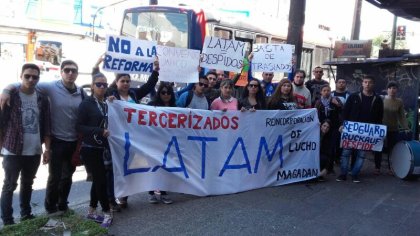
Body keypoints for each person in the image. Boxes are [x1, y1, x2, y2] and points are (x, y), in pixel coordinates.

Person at [2, 60, 87, 215]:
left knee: (66, 177)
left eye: (73, 71)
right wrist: (7, 89)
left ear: (77, 74)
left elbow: (89, 109)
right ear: (61, 72)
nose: (70, 73)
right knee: (51, 178)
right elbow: (24, 84)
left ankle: (61, 205)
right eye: (67, 70)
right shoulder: (49, 87)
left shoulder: (80, 92)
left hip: (69, 143)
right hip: (50, 142)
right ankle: (48, 208)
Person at [0, 64, 51, 225]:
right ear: (21, 76)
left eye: (34, 77)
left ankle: (26, 215)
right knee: (9, 186)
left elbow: (47, 125)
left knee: (28, 184)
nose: (31, 79)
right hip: (12, 150)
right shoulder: (11, 95)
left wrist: (47, 149)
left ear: (38, 78)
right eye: (27, 76)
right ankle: (8, 221)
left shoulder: (42, 97)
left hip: (34, 150)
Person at [106, 57, 160, 209]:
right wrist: (108, 101)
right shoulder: (110, 95)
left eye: (127, 81)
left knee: (128, 167)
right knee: (116, 167)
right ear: (116, 82)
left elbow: (149, 85)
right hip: (117, 138)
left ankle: (124, 196)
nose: (125, 84)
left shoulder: (134, 94)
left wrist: (155, 71)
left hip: (133, 138)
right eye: (122, 81)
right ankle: (111, 199)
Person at [77, 73, 113, 228]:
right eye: (99, 84)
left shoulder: (106, 103)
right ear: (92, 86)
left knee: (97, 180)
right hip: (90, 148)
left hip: (103, 148)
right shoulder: (86, 104)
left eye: (105, 85)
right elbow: (79, 126)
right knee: (101, 181)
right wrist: (98, 131)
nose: (102, 87)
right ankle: (106, 212)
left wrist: (113, 104)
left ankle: (91, 211)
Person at [336, 75, 383, 183]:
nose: (367, 84)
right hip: (351, 130)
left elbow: (380, 117)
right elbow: (345, 112)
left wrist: (378, 133)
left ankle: (354, 174)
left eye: (369, 82)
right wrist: (342, 124)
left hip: (366, 133)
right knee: (346, 153)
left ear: (373, 84)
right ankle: (343, 174)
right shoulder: (353, 97)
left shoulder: (378, 99)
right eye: (365, 82)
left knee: (361, 155)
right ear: (362, 84)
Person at [146, 82, 175, 204]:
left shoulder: (175, 107)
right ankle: (152, 193)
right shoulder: (152, 105)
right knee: (154, 167)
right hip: (154, 142)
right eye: (163, 92)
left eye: (168, 92)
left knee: (165, 168)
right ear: (159, 93)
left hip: (168, 143)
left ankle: (163, 193)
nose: (166, 95)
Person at [376, 81, 409, 174]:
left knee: (392, 149)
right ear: (387, 90)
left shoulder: (399, 101)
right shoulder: (381, 99)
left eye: (394, 88)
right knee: (379, 148)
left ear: (397, 90)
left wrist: (406, 127)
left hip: (393, 129)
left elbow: (402, 116)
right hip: (381, 128)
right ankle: (377, 168)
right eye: (390, 88)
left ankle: (391, 168)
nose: (392, 90)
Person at [314, 84, 342, 174]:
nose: (326, 92)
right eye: (324, 90)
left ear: (331, 91)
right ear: (321, 92)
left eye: (328, 90)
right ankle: (321, 166)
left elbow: (342, 111)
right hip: (322, 128)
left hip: (333, 127)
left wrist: (337, 104)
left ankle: (330, 167)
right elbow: (315, 114)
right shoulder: (318, 102)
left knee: (332, 147)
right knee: (322, 146)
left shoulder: (336, 99)